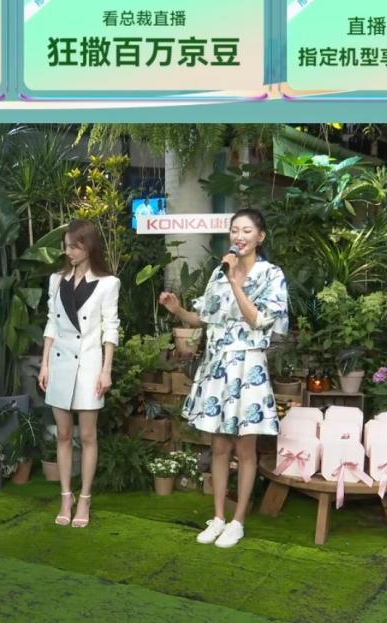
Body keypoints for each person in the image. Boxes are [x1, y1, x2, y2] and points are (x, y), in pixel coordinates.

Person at [159, 208, 288, 548]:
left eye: (246, 230)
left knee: (245, 448)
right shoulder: (219, 274)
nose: (239, 236)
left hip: (248, 368)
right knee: (218, 446)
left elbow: (259, 320)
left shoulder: (271, 274)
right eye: (234, 230)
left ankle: (238, 521)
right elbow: (204, 319)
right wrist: (178, 310)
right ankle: (218, 517)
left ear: (260, 236)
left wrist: (235, 282)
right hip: (217, 367)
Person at [38, 219, 120, 528]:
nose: (69, 252)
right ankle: (65, 497)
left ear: (89, 246)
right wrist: (45, 363)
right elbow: (52, 322)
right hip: (59, 364)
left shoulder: (108, 283)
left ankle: (84, 498)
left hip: (89, 366)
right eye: (67, 246)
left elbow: (110, 328)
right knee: (63, 434)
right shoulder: (56, 280)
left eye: (74, 246)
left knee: (87, 435)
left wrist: (106, 370)